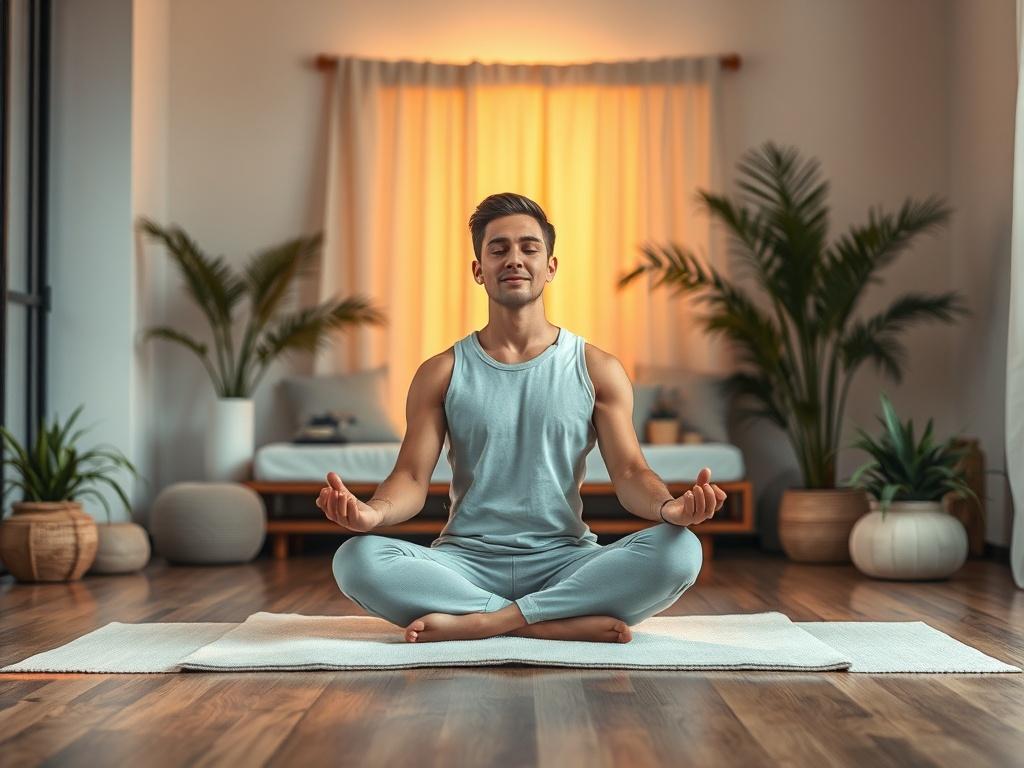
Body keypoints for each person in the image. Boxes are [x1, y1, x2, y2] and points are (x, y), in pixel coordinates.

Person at [318, 192, 726, 644]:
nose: (514, 259)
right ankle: (551, 622)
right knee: (355, 558)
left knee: (680, 551)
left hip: (566, 561)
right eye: (498, 249)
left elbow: (630, 472)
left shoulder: (596, 368)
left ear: (550, 267)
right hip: (464, 564)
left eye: (529, 248)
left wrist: (669, 508)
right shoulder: (442, 371)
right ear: (479, 270)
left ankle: (487, 623)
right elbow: (411, 477)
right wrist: (371, 515)